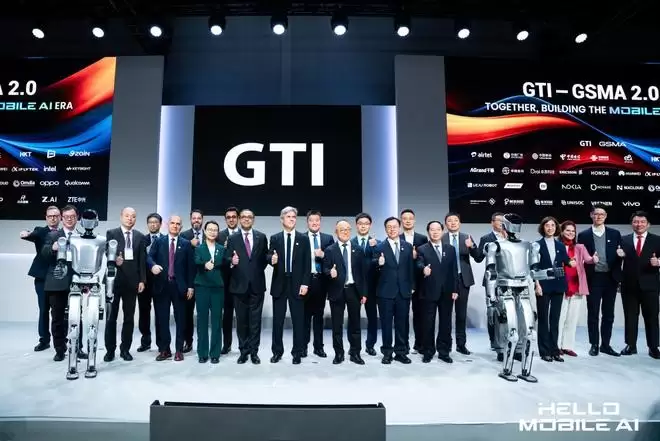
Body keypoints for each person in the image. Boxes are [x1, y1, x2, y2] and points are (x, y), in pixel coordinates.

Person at [147, 215, 195, 362]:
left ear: (181, 227)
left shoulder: (186, 244)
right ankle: (165, 349)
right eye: (172, 223)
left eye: (178, 224)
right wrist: (152, 266)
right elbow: (149, 257)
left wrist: (191, 286)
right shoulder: (159, 241)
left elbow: (190, 267)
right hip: (162, 286)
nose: (175, 225)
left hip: (179, 286)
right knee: (162, 319)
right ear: (167, 225)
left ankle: (179, 350)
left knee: (181, 319)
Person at [577, 205, 622, 357]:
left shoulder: (615, 234)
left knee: (609, 314)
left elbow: (619, 254)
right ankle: (594, 344)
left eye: (601, 214)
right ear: (591, 215)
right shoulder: (583, 235)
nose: (599, 217)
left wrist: (621, 255)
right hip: (593, 277)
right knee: (593, 313)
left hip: (610, 278)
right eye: (596, 214)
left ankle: (606, 345)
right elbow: (581, 258)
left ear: (606, 216)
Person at [268, 206, 311, 364]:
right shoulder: (275, 238)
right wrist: (270, 259)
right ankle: (277, 352)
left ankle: (297, 353)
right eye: (288, 217)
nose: (292, 219)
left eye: (294, 217)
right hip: (280, 283)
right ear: (282, 220)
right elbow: (268, 255)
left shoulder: (303, 239)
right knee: (277, 321)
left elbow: (307, 263)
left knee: (298, 321)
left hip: (297, 284)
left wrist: (305, 283)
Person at [103, 207, 146, 363]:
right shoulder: (111, 233)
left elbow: (142, 260)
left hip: (132, 282)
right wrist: (114, 258)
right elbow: (107, 251)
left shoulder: (140, 236)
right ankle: (110, 350)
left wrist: (142, 280)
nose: (130, 219)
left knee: (129, 318)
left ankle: (125, 349)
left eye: (133, 216)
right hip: (113, 281)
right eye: (127, 216)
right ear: (121, 216)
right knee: (111, 318)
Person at [322, 220, 367, 364]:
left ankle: (355, 353)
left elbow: (363, 273)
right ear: (336, 232)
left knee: (355, 324)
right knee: (337, 325)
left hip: (354, 290)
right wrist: (330, 272)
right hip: (337, 291)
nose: (345, 232)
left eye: (347, 229)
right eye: (342, 229)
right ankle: (339, 353)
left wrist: (364, 293)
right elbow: (324, 269)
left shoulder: (358, 249)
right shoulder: (330, 250)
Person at [618, 211, 660, 359]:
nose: (639, 224)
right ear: (632, 224)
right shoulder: (624, 240)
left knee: (652, 317)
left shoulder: (657, 240)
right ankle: (630, 345)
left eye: (642, 222)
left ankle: (653, 347)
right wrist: (619, 256)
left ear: (648, 224)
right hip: (629, 285)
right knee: (630, 316)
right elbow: (616, 262)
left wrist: (659, 262)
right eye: (636, 222)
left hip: (650, 285)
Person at [373, 216, 415, 364]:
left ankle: (401, 352)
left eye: (395, 226)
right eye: (389, 227)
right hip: (385, 292)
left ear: (399, 228)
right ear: (385, 229)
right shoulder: (379, 247)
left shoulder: (408, 246)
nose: (392, 229)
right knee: (385, 324)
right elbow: (372, 270)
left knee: (402, 323)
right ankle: (387, 353)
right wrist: (378, 263)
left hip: (404, 291)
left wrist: (412, 287)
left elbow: (411, 268)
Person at [415, 221, 459, 364]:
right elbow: (418, 263)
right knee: (428, 323)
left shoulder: (450, 249)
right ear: (428, 232)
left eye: (438, 229)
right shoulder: (422, 249)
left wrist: (455, 289)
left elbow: (454, 270)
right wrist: (423, 269)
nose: (435, 232)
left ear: (442, 231)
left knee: (446, 323)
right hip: (428, 291)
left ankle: (444, 351)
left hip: (447, 291)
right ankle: (428, 351)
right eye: (432, 230)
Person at [20, 205, 61, 351]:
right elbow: (32, 235)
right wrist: (25, 233)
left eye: (55, 216)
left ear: (60, 217)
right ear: (46, 218)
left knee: (58, 311)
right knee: (43, 309)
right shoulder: (40, 231)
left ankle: (60, 341)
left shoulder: (64, 232)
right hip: (42, 276)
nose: (53, 218)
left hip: (59, 276)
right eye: (50, 216)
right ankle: (44, 340)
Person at [535, 216, 574, 363]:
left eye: (552, 225)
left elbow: (566, 261)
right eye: (547, 225)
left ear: (556, 228)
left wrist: (571, 262)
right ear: (543, 228)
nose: (550, 228)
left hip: (558, 285)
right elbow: (534, 267)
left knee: (555, 319)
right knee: (543, 319)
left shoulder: (560, 246)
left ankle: (554, 350)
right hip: (543, 285)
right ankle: (544, 351)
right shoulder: (536, 245)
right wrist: (537, 285)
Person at [557, 220, 596, 357]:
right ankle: (556, 346)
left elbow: (588, 259)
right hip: (561, 286)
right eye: (568, 230)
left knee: (572, 318)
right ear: (562, 231)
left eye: (573, 231)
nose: (571, 233)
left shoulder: (580, 247)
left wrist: (594, 259)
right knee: (560, 318)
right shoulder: (557, 245)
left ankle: (567, 346)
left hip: (576, 285)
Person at [194, 220, 226, 364]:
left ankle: (215, 353)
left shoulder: (221, 248)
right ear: (205, 231)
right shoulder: (199, 248)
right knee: (202, 321)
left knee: (217, 321)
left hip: (217, 288)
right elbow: (196, 261)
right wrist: (204, 264)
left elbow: (225, 262)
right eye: (210, 229)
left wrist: (233, 261)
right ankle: (202, 353)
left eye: (215, 230)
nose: (213, 232)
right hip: (202, 287)